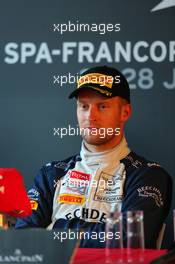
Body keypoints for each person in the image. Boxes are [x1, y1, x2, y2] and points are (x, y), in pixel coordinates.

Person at [15, 65, 172, 249]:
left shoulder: (147, 175)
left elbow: (127, 239)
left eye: (102, 106)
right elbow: (23, 239)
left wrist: (53, 229)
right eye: (84, 106)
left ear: (125, 112)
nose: (91, 116)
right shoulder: (51, 174)